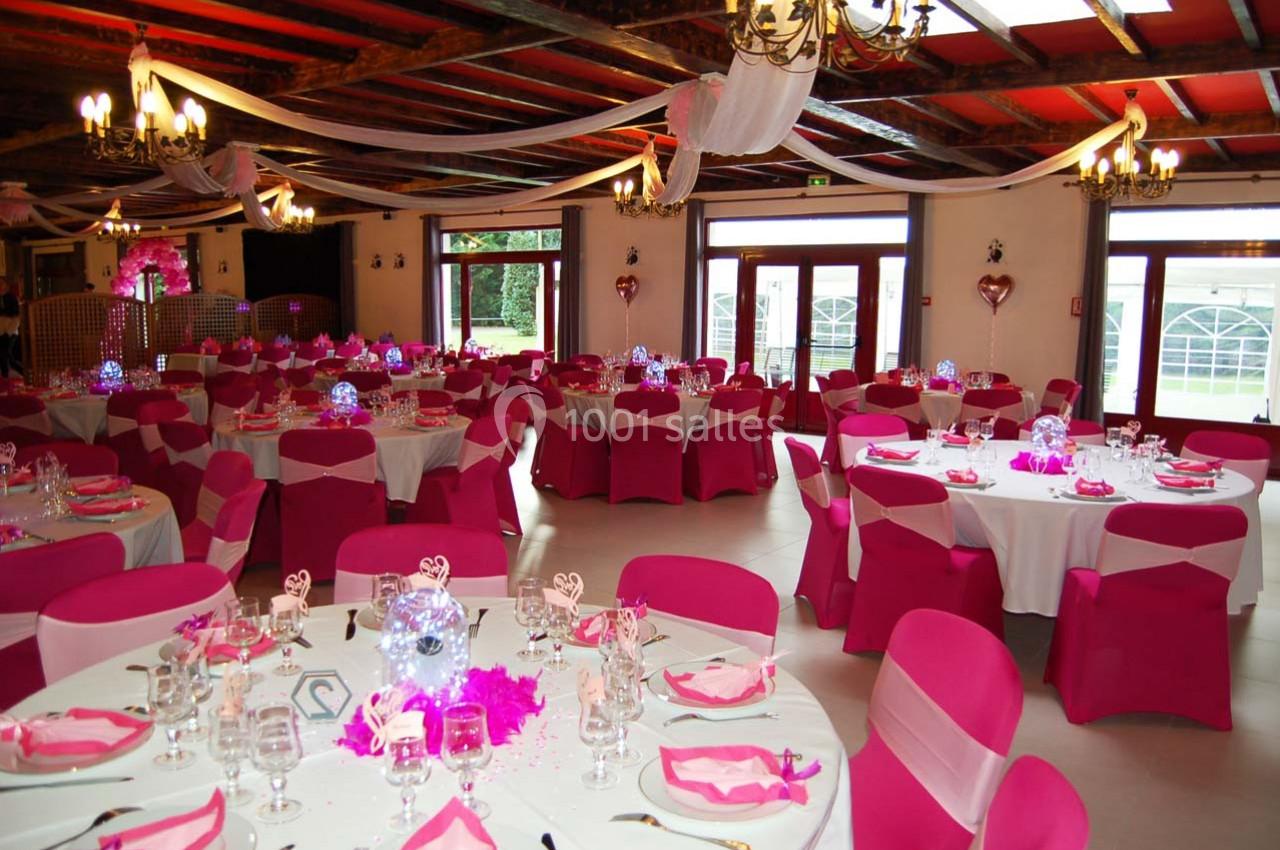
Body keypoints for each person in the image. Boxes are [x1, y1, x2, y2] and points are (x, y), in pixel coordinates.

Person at [0, 278, 21, 379]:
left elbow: (17, 317)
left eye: (1, 283)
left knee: (6, 354)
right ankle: (5, 377)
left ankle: (23, 372)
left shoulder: (12, 298)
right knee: (3, 356)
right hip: (1, 331)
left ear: (6, 285)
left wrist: (8, 332)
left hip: (10, 332)